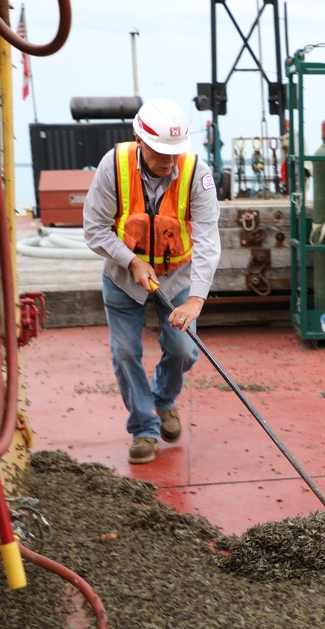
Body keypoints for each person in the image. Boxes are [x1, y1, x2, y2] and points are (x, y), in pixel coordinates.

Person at [83, 97, 221, 464]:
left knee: (183, 349)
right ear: (140, 139)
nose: (168, 160)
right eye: (160, 151)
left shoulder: (196, 174)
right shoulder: (113, 166)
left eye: (174, 152)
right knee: (125, 352)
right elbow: (94, 229)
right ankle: (144, 428)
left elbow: (208, 239)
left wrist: (197, 300)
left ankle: (163, 399)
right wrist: (131, 262)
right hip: (123, 277)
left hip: (176, 277)